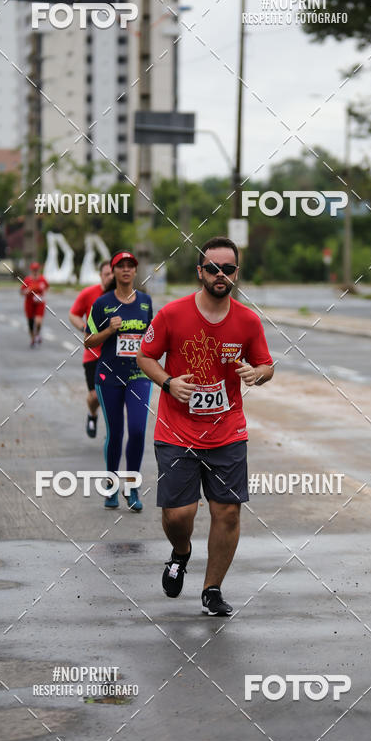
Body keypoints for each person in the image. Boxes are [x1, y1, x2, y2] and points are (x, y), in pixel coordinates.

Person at [136, 236, 274, 617]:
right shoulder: (172, 314)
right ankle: (181, 552)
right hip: (176, 431)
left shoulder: (247, 321)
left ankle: (212, 590)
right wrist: (168, 382)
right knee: (178, 515)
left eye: (227, 269)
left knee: (227, 512)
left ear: (236, 274)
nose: (220, 274)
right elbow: (145, 356)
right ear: (200, 271)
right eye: (213, 268)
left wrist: (257, 374)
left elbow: (267, 366)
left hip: (227, 431)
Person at [85, 251, 153, 512]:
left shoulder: (145, 301)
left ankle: (132, 487)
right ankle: (111, 486)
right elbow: (88, 340)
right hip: (109, 376)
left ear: (135, 271)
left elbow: (152, 336)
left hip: (139, 376)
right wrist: (109, 330)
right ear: (113, 272)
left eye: (130, 266)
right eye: (120, 266)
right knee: (116, 433)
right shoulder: (102, 303)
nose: (126, 270)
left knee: (137, 430)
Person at [69, 259, 113, 438]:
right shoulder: (89, 293)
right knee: (95, 396)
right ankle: (92, 414)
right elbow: (73, 314)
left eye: (113, 273)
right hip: (93, 354)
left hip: (115, 355)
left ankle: (112, 431)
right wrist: (84, 329)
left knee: (113, 395)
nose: (110, 277)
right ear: (100, 276)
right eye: (107, 274)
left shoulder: (123, 295)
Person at [20, 261, 49, 347]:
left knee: (38, 321)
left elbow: (47, 287)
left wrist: (43, 294)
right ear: (31, 270)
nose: (35, 271)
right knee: (31, 323)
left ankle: (37, 334)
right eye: (34, 270)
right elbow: (21, 292)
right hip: (29, 303)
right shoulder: (27, 280)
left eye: (36, 269)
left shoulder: (42, 279)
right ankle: (33, 338)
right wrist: (27, 291)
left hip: (40, 303)